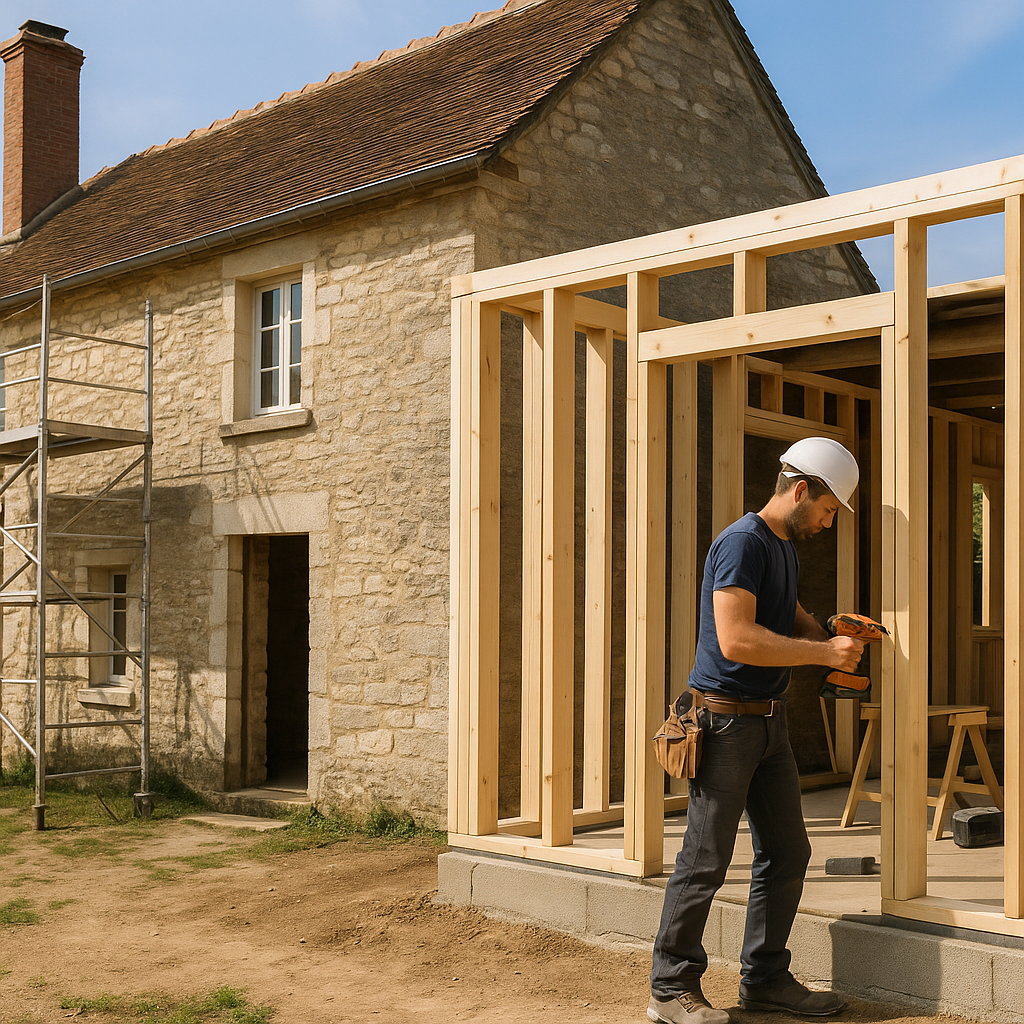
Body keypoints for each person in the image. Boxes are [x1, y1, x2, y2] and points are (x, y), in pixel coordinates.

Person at [648, 437, 865, 1024]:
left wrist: (826, 629)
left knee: (788, 851)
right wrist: (821, 652)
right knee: (706, 857)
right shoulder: (743, 542)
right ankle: (670, 988)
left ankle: (765, 979)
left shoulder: (783, 546)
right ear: (800, 490)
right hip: (722, 724)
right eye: (827, 510)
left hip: (767, 726)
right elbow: (736, 638)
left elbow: (783, 612)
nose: (828, 522)